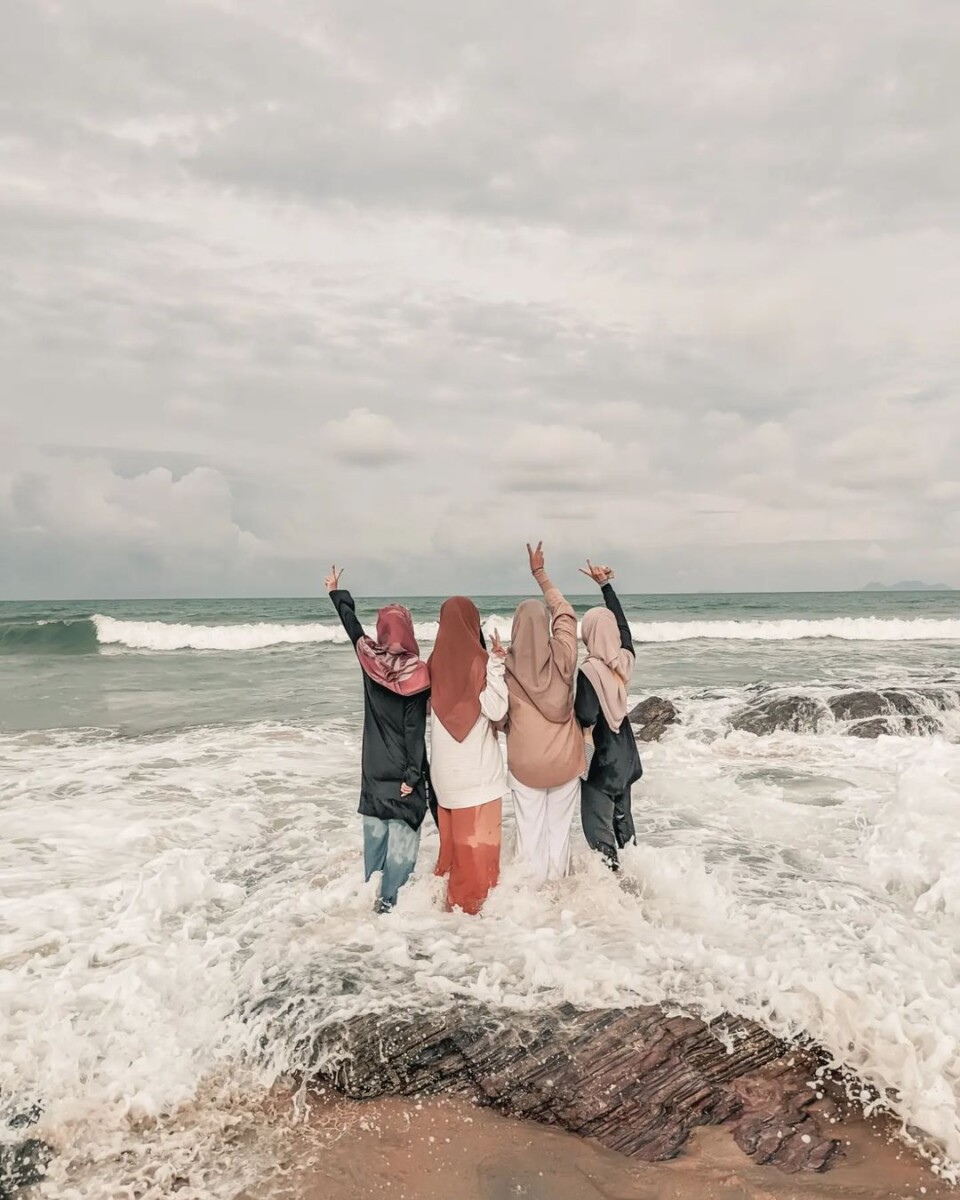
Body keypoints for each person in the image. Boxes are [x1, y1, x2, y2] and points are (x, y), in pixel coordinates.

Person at [325, 565, 431, 913]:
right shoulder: (417, 673)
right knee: (402, 843)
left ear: (382, 631)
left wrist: (336, 594)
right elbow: (414, 730)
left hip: (373, 767)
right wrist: (413, 776)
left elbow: (352, 629)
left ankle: (368, 903)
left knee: (376, 837)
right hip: (403, 772)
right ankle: (390, 908)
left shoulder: (369, 660)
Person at [503, 541, 585, 882]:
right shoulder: (565, 655)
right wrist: (540, 574)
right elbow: (565, 613)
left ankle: (530, 895)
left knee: (530, 835)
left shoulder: (506, 668)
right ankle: (557, 891)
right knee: (559, 833)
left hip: (525, 765)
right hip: (565, 760)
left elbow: (498, 718)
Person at [427, 597, 509, 914]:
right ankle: (472, 926)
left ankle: (441, 918)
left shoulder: (433, 663)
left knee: (453, 854)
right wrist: (498, 665)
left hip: (444, 777)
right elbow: (496, 709)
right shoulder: (481, 661)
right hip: (477, 775)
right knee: (478, 859)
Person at [575, 560, 642, 870]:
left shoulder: (589, 671)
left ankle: (611, 884)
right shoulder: (624, 661)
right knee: (623, 822)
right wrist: (605, 587)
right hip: (625, 756)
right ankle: (636, 874)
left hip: (601, 762)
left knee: (598, 831)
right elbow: (624, 629)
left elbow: (586, 715)